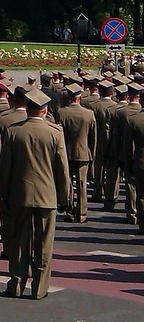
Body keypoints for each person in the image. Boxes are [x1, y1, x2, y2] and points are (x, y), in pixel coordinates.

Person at [0, 88, 71, 299]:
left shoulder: (13, 131)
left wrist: (4, 193)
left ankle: (17, 283)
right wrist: (64, 196)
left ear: (26, 108)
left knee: (19, 241)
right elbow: (62, 169)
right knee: (44, 243)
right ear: (45, 110)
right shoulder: (55, 132)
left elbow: (5, 168)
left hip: (20, 194)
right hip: (47, 195)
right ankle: (39, 288)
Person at [58, 84, 97, 223]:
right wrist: (92, 154)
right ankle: (81, 214)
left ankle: (69, 211)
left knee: (68, 183)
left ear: (69, 98)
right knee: (82, 184)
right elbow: (93, 137)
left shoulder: (61, 113)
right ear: (79, 97)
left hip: (66, 153)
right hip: (83, 153)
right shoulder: (89, 114)